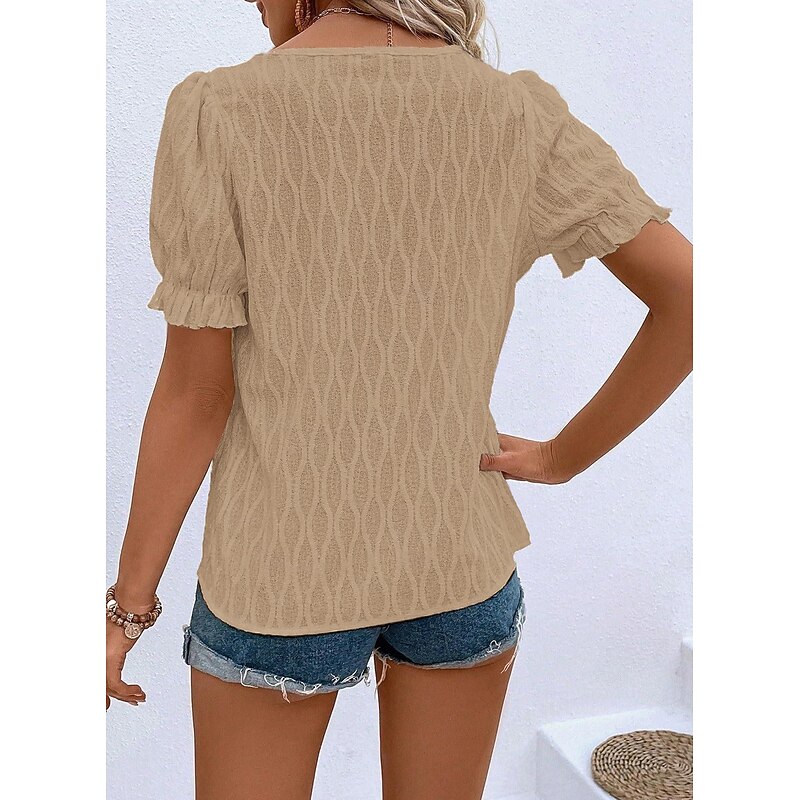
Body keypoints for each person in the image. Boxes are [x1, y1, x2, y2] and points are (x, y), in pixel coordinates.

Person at [106, 2, 692, 798]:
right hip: (461, 568)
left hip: (280, 576)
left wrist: (128, 607)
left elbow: (196, 391)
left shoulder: (220, 109)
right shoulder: (517, 111)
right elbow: (692, 298)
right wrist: (562, 458)